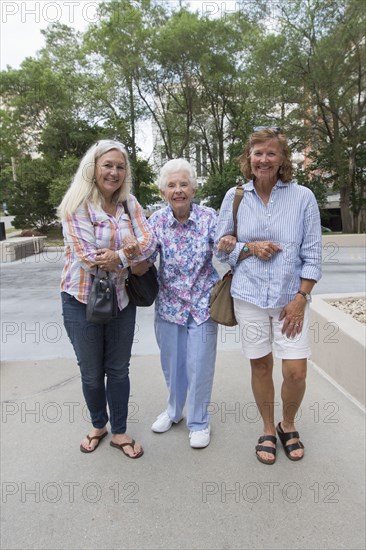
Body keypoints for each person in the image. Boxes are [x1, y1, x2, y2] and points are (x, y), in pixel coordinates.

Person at [215, 127, 322, 464]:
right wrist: (247, 247)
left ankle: (287, 424)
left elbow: (313, 254)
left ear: (281, 159)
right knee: (261, 366)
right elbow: (220, 250)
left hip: (290, 300)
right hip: (248, 297)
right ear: (249, 159)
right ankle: (266, 428)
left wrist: (301, 298)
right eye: (257, 153)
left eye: (270, 153)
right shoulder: (235, 197)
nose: (263, 159)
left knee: (295, 372)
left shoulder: (303, 196)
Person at [59, 139, 156, 458]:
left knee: (118, 369)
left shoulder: (130, 204)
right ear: (93, 168)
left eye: (120, 166)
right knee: (90, 371)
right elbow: (89, 258)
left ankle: (120, 431)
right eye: (108, 165)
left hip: (120, 299)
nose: (114, 172)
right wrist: (129, 250)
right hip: (81, 299)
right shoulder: (76, 205)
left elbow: (150, 244)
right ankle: (98, 424)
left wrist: (120, 256)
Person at [148, 159, 219, 448]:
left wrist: (238, 248)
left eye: (184, 184)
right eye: (172, 185)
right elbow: (145, 255)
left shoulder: (208, 217)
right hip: (168, 305)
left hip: (204, 304)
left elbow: (224, 251)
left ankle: (199, 421)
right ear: (163, 191)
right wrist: (125, 256)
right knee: (173, 365)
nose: (178, 190)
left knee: (199, 365)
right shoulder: (156, 221)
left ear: (193, 188)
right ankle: (174, 411)